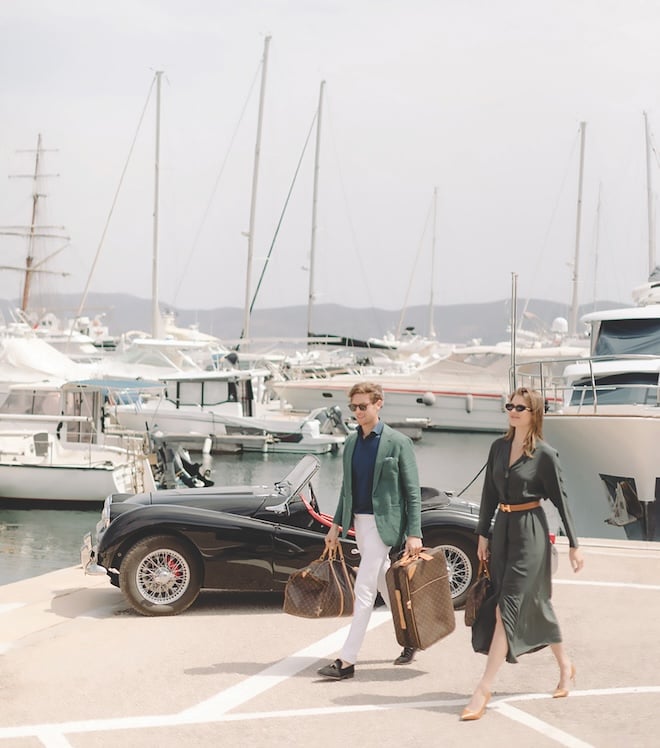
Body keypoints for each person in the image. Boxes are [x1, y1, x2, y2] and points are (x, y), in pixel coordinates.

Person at [462, 386, 584, 721]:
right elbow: (488, 492)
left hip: (531, 532)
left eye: (521, 407)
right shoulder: (498, 448)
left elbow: (562, 499)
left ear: (534, 414)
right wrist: (483, 534)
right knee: (538, 605)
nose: (513, 411)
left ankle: (483, 688)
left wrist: (575, 543)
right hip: (502, 530)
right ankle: (565, 665)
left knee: (507, 608)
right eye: (510, 405)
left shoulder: (545, 454)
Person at [317, 381, 423, 680]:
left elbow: (412, 492)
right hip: (359, 524)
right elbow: (346, 491)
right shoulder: (351, 442)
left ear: (379, 404)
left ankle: (346, 661)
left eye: (363, 406)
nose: (358, 412)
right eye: (353, 407)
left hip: (383, 525)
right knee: (381, 582)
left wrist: (415, 532)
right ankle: (412, 637)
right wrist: (335, 526)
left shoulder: (398, 442)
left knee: (363, 589)